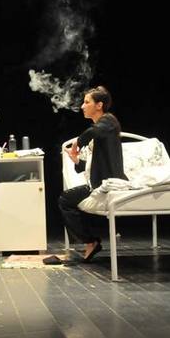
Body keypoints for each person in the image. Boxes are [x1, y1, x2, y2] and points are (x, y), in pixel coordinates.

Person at [58, 86, 127, 262]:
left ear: (99, 105)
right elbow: (92, 165)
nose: (82, 106)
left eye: (87, 102)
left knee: (65, 200)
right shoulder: (101, 129)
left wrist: (77, 142)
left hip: (109, 182)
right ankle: (90, 240)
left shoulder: (108, 122)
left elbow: (91, 132)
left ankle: (90, 242)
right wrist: (77, 161)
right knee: (66, 199)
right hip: (98, 181)